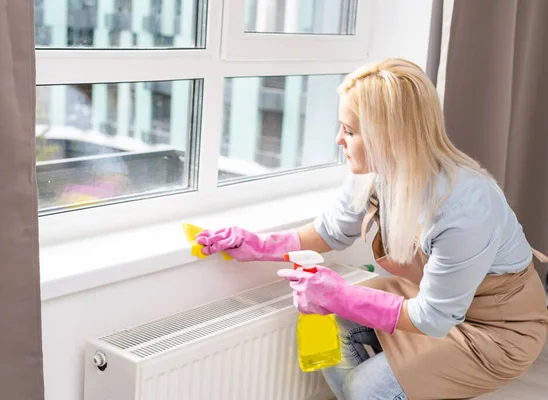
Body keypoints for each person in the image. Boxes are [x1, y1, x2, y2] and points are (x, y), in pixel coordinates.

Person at [196, 58, 548, 399]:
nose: (338, 140)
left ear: (388, 137)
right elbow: (330, 232)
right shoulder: (375, 172)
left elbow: (435, 318)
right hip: (435, 300)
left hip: (496, 331)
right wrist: (254, 245)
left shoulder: (465, 207)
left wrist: (339, 293)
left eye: (349, 131)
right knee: (336, 331)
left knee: (369, 388)